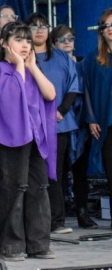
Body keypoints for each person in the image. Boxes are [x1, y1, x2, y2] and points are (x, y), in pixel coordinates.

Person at [0, 21, 57, 262]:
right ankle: (11, 245)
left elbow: (51, 94)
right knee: (14, 188)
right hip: (11, 139)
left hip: (35, 137)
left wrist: (31, 66)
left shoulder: (32, 68)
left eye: (27, 40)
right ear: (4, 44)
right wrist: (21, 65)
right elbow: (11, 98)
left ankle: (38, 243)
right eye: (18, 40)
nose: (25, 45)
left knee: (38, 187)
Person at [27, 13, 79, 235]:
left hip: (59, 125)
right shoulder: (23, 56)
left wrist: (61, 111)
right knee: (33, 175)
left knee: (55, 174)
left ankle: (56, 221)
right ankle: (34, 222)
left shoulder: (61, 57)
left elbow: (73, 87)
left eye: (43, 26)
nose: (39, 30)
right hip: (30, 126)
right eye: (34, 26)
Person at [50, 25, 99, 229]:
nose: (68, 42)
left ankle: (82, 213)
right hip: (61, 123)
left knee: (80, 171)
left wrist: (90, 119)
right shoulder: (51, 64)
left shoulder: (84, 64)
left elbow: (88, 92)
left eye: (71, 38)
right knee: (59, 173)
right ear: (54, 44)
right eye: (62, 39)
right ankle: (57, 217)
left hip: (81, 123)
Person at [84, 8, 112, 229]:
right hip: (106, 124)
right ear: (101, 31)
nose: (110, 30)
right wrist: (91, 118)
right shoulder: (94, 60)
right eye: (106, 26)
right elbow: (87, 91)